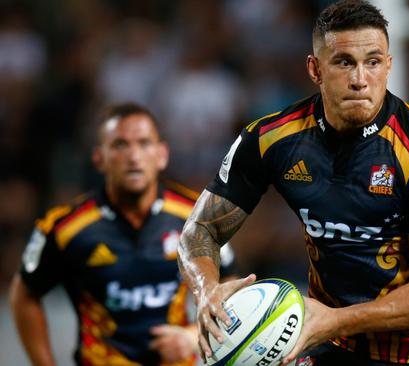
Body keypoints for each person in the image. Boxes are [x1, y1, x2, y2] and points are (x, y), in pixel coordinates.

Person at [177, 1, 409, 365]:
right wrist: (207, 288)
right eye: (343, 62)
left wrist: (334, 321)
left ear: (388, 66)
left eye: (373, 62)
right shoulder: (270, 139)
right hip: (336, 347)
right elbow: (200, 231)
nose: (359, 79)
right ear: (315, 69)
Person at [9, 103, 238, 366]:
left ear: (162, 154)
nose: (134, 156)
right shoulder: (65, 228)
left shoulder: (196, 217)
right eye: (120, 145)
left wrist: (193, 335)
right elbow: (24, 295)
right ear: (99, 158)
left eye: (144, 143)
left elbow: (229, 279)